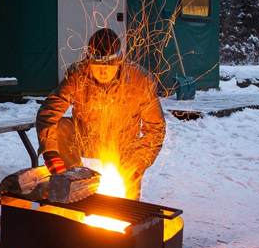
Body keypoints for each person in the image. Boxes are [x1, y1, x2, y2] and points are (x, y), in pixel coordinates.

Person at [35, 28, 166, 200]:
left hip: (124, 144)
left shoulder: (141, 80)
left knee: (127, 199)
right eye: (97, 65)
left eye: (109, 66)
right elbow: (49, 112)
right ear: (89, 61)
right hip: (87, 137)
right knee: (61, 128)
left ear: (119, 61)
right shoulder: (77, 75)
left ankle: (127, 208)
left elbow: (155, 130)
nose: (103, 71)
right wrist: (50, 152)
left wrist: (136, 167)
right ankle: (73, 185)